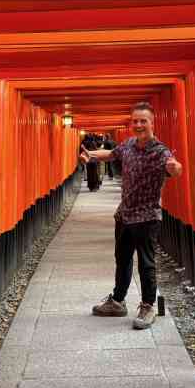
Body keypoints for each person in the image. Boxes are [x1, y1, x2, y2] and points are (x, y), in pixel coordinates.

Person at [79, 102, 183, 329]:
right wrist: (92, 155)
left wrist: (175, 168)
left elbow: (174, 167)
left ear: (151, 123)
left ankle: (147, 306)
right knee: (122, 259)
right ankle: (117, 301)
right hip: (125, 214)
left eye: (143, 121)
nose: (138, 125)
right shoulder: (127, 145)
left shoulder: (160, 151)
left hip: (146, 216)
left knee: (146, 263)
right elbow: (112, 154)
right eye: (135, 121)